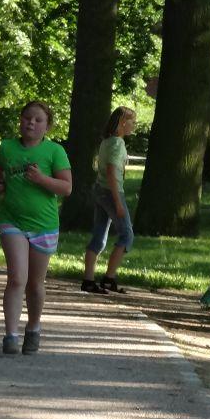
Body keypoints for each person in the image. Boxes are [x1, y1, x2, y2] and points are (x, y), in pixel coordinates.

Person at [0, 101, 72, 356]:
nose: (31, 123)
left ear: (47, 126)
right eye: (27, 118)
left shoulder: (54, 151)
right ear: (20, 120)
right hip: (12, 221)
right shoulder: (7, 147)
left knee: (35, 284)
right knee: (17, 278)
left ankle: (34, 328)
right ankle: (10, 336)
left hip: (44, 224)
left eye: (38, 120)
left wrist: (41, 179)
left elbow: (66, 188)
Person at [80, 106, 136, 295]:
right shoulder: (117, 143)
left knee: (99, 236)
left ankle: (88, 280)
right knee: (127, 234)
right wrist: (118, 202)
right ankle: (109, 278)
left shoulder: (107, 141)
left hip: (100, 190)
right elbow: (112, 171)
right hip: (111, 192)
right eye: (132, 122)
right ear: (122, 123)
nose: (134, 126)